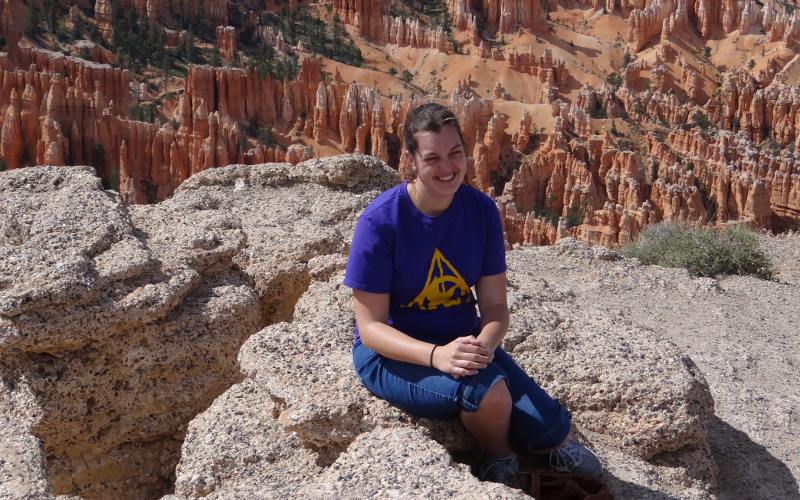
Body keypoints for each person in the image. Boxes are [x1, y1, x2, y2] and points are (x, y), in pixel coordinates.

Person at [344, 103, 602, 486]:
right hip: (392, 354)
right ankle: (498, 459)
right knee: (490, 393)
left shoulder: (480, 211)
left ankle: (532, 441)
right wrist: (438, 356)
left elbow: (495, 306)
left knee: (553, 431)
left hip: (460, 339)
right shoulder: (381, 223)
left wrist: (484, 345)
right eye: (432, 158)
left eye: (455, 154)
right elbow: (371, 329)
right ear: (412, 161)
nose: (448, 168)